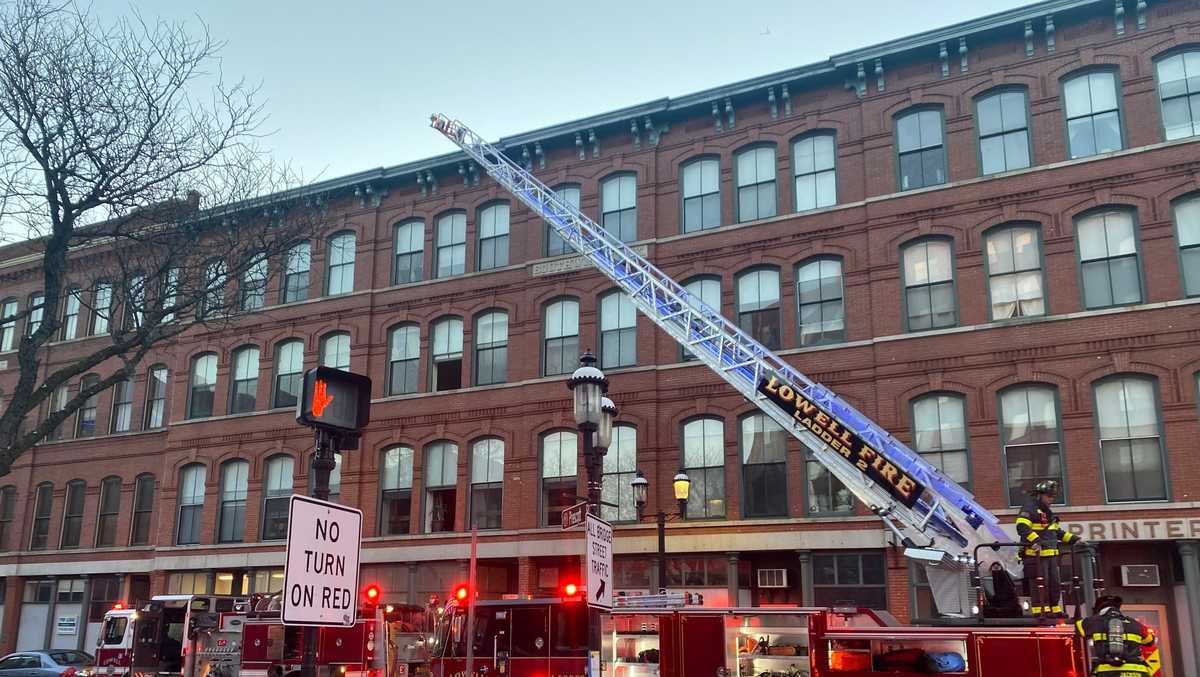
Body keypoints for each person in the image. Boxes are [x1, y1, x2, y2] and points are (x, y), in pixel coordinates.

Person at [1015, 480, 1084, 615]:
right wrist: (1036, 541)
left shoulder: (1049, 513)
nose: (1051, 499)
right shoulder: (1029, 508)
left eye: (1052, 497)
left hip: (1051, 555)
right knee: (1040, 584)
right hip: (1035, 556)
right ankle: (1041, 610)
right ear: (1040, 495)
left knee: (1054, 584)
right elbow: (1022, 527)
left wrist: (1076, 540)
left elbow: (1057, 532)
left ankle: (1054, 609)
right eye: (1049, 496)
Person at [1075, 595, 1160, 676]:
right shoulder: (1136, 624)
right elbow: (1150, 641)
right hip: (1138, 671)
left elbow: (1079, 627)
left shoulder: (1092, 621)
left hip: (1108, 672)